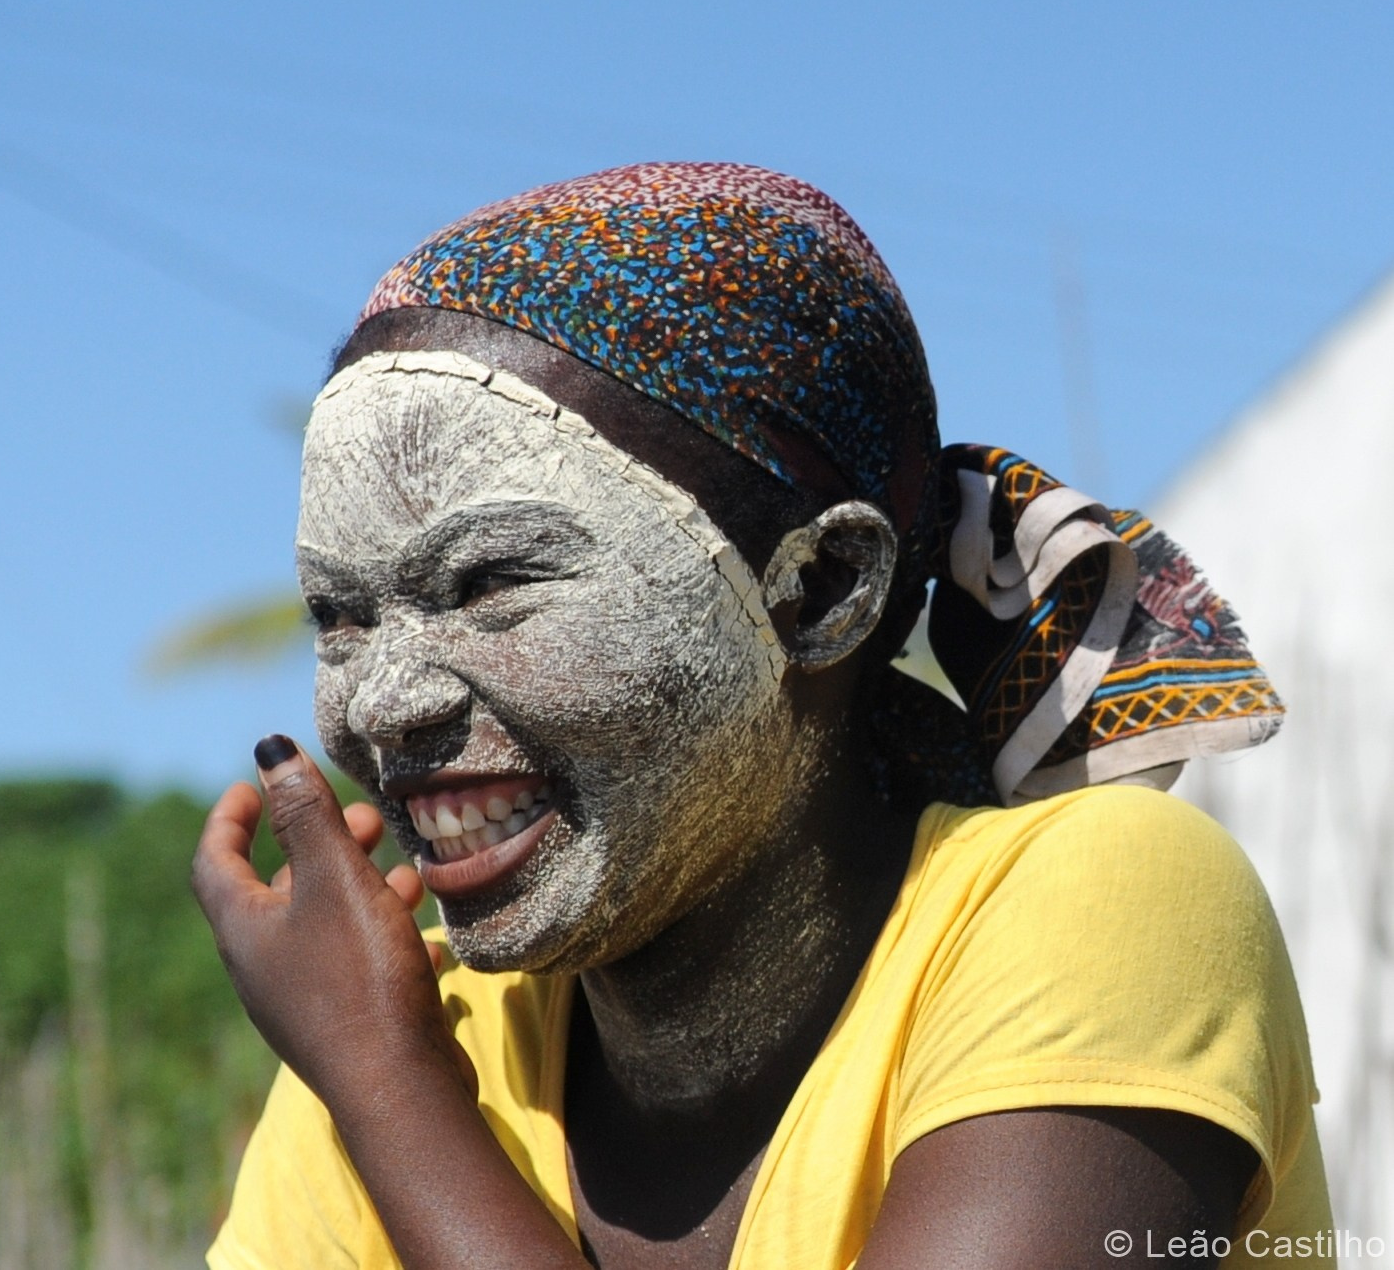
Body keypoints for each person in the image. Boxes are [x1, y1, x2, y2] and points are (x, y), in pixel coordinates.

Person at [191, 164, 1330, 1269]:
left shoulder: (1106, 904)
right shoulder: (422, 1034)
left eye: (491, 584)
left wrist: (390, 1098)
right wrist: (378, 1072)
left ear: (823, 591)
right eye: (339, 616)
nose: (382, 706)